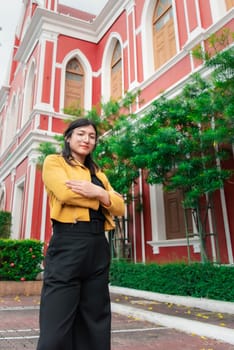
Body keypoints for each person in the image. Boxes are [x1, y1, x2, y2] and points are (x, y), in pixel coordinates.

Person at [37, 118, 125, 350]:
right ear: (68, 137)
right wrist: (102, 199)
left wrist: (98, 191)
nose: (87, 139)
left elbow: (120, 206)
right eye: (81, 134)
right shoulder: (54, 162)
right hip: (69, 242)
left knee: (95, 319)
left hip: (98, 244)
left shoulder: (98, 174)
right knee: (56, 322)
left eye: (92, 136)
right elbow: (66, 194)